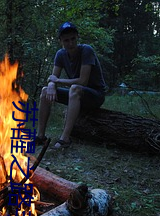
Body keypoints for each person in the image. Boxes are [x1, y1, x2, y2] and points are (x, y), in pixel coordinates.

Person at [36, 21, 107, 149]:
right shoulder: (60, 54)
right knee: (45, 90)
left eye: (73, 39)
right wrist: (51, 85)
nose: (70, 43)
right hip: (76, 94)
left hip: (95, 95)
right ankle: (40, 136)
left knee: (75, 88)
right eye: (66, 40)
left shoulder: (86, 50)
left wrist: (56, 81)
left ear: (77, 37)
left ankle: (65, 139)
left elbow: (82, 81)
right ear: (61, 41)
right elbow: (53, 78)